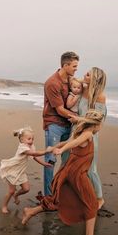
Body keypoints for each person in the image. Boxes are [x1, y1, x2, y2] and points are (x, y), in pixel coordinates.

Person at [22, 110, 105, 235]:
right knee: (92, 203)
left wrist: (54, 147)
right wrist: (61, 150)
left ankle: (31, 211)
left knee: (59, 200)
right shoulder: (87, 134)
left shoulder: (79, 132)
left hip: (70, 171)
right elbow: (75, 143)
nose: (101, 128)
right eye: (101, 125)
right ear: (97, 124)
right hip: (77, 174)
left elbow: (68, 142)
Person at [43, 51, 79, 196]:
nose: (76, 69)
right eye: (74, 66)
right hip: (54, 125)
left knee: (66, 160)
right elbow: (59, 110)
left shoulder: (70, 80)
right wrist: (79, 118)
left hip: (67, 125)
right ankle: (48, 197)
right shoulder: (52, 83)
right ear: (65, 65)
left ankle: (59, 189)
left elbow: (81, 85)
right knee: (50, 161)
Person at [70, 67, 107, 210]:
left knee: (91, 169)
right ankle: (75, 193)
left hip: (89, 135)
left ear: (95, 79)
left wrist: (77, 119)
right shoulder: (83, 88)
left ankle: (99, 198)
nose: (84, 74)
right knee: (69, 162)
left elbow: (97, 123)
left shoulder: (100, 96)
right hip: (75, 131)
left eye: (88, 74)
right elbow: (73, 80)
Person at [0, 127, 52, 214]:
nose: (31, 141)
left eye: (32, 139)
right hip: (13, 171)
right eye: (29, 139)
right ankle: (4, 206)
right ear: (22, 140)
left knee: (26, 189)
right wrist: (46, 151)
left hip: (21, 171)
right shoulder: (22, 148)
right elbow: (33, 153)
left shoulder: (30, 146)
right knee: (11, 191)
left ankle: (16, 195)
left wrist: (44, 163)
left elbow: (34, 157)